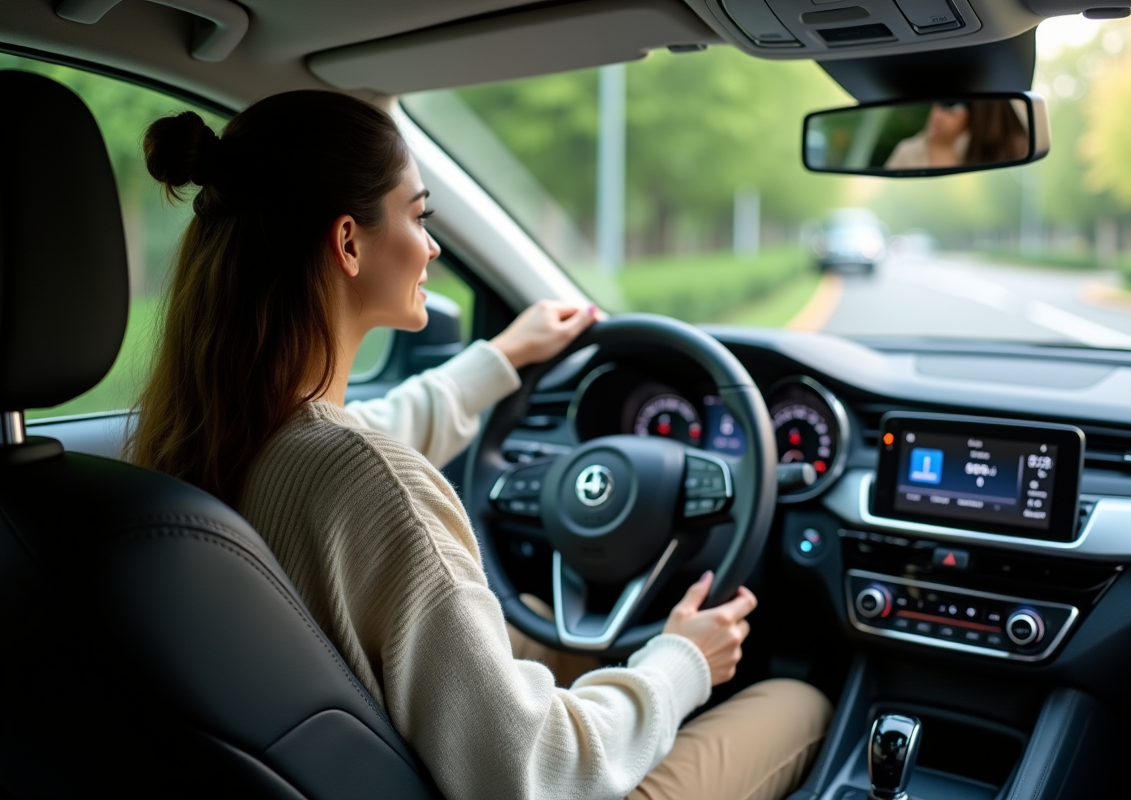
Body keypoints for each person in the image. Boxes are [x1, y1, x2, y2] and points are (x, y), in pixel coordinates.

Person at [127, 90, 831, 800]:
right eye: (418, 216)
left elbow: (372, 432)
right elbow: (536, 770)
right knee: (797, 704)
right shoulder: (368, 482)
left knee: (549, 628)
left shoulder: (196, 446)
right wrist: (681, 664)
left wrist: (503, 356)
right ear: (348, 243)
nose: (431, 246)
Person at [884, 101, 971, 169]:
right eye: (938, 105)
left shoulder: (972, 154)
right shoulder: (906, 151)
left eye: (952, 109)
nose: (938, 116)